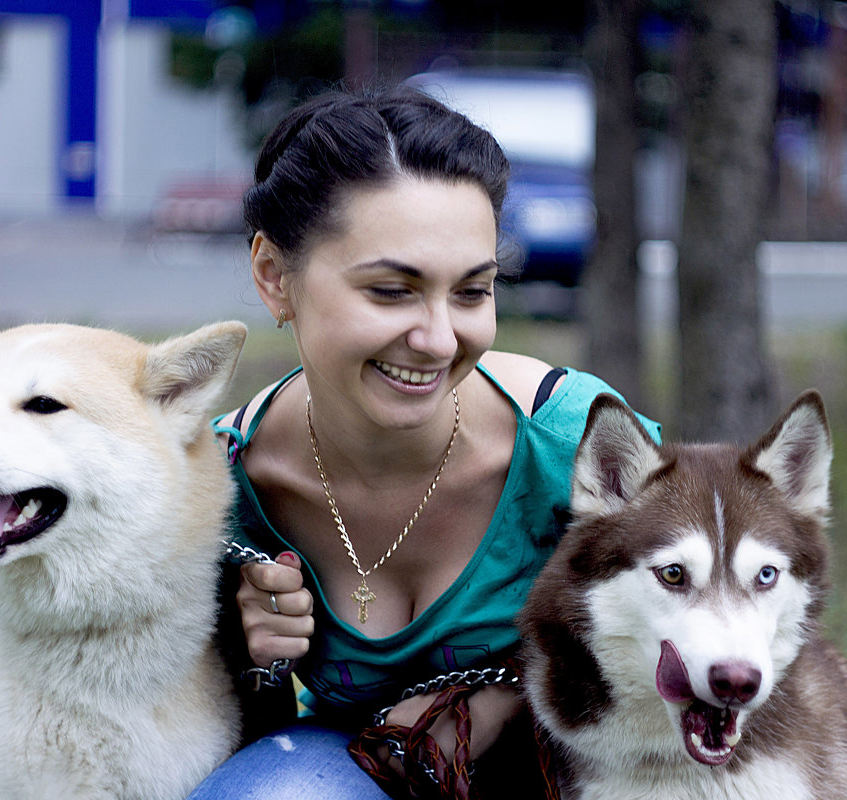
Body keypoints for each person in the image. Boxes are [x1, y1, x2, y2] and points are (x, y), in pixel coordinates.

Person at [190, 85, 661, 800]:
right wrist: (246, 654)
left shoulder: (574, 445)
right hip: (350, 767)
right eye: (391, 291)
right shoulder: (218, 484)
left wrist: (509, 696)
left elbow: (722, 647)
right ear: (272, 276)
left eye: (472, 292)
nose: (440, 339)